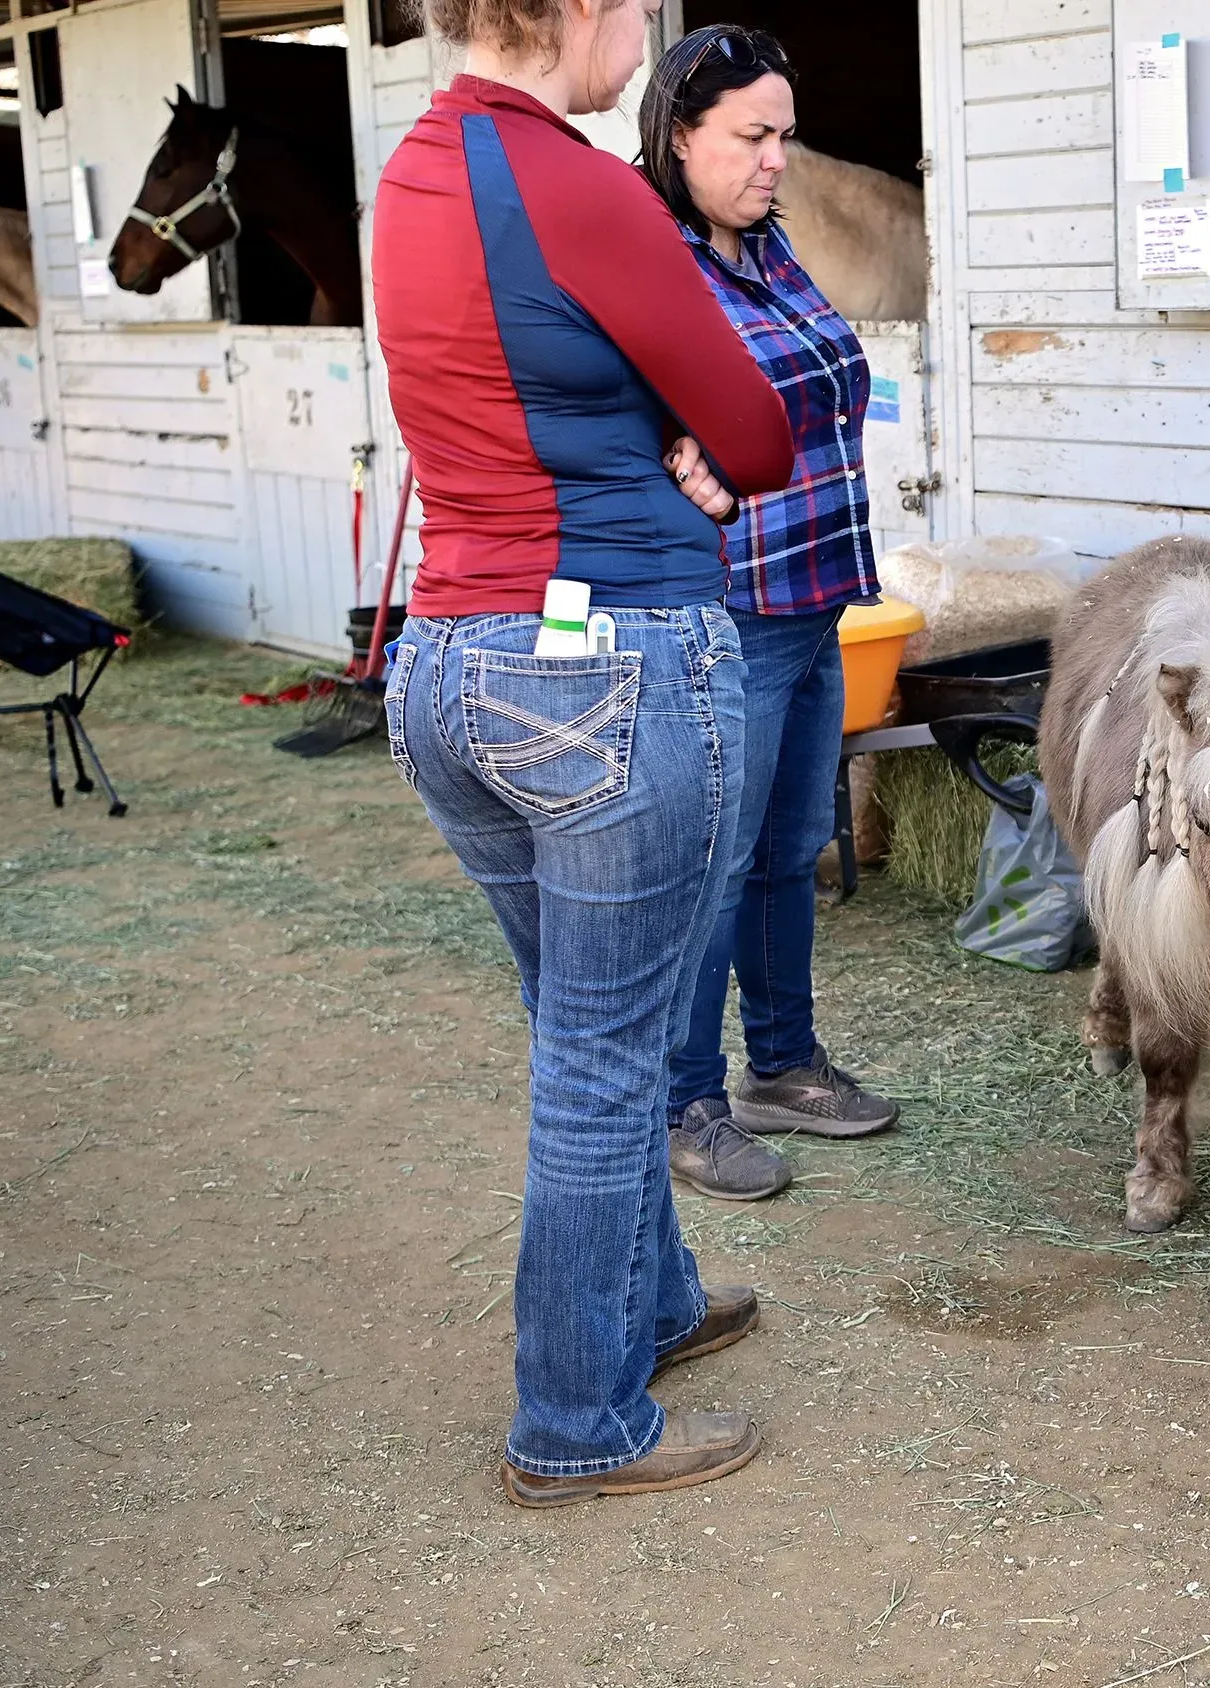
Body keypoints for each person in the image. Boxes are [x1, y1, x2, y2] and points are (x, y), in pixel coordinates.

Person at [373, 0, 794, 1506]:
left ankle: (653, 1308)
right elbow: (751, 432)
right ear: (573, 12)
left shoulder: (418, 165)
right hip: (604, 663)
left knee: (582, 1030)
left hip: (446, 663)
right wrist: (688, 442)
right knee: (608, 1067)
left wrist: (655, 432)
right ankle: (574, 1422)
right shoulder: (579, 183)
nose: (645, 31)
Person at [642, 25, 901, 1207]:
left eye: (784, 136)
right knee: (714, 861)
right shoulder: (658, 266)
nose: (775, 160)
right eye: (751, 136)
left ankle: (782, 1063)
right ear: (680, 134)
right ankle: (687, 1100)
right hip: (731, 610)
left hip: (814, 600)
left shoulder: (769, 253)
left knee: (789, 851)